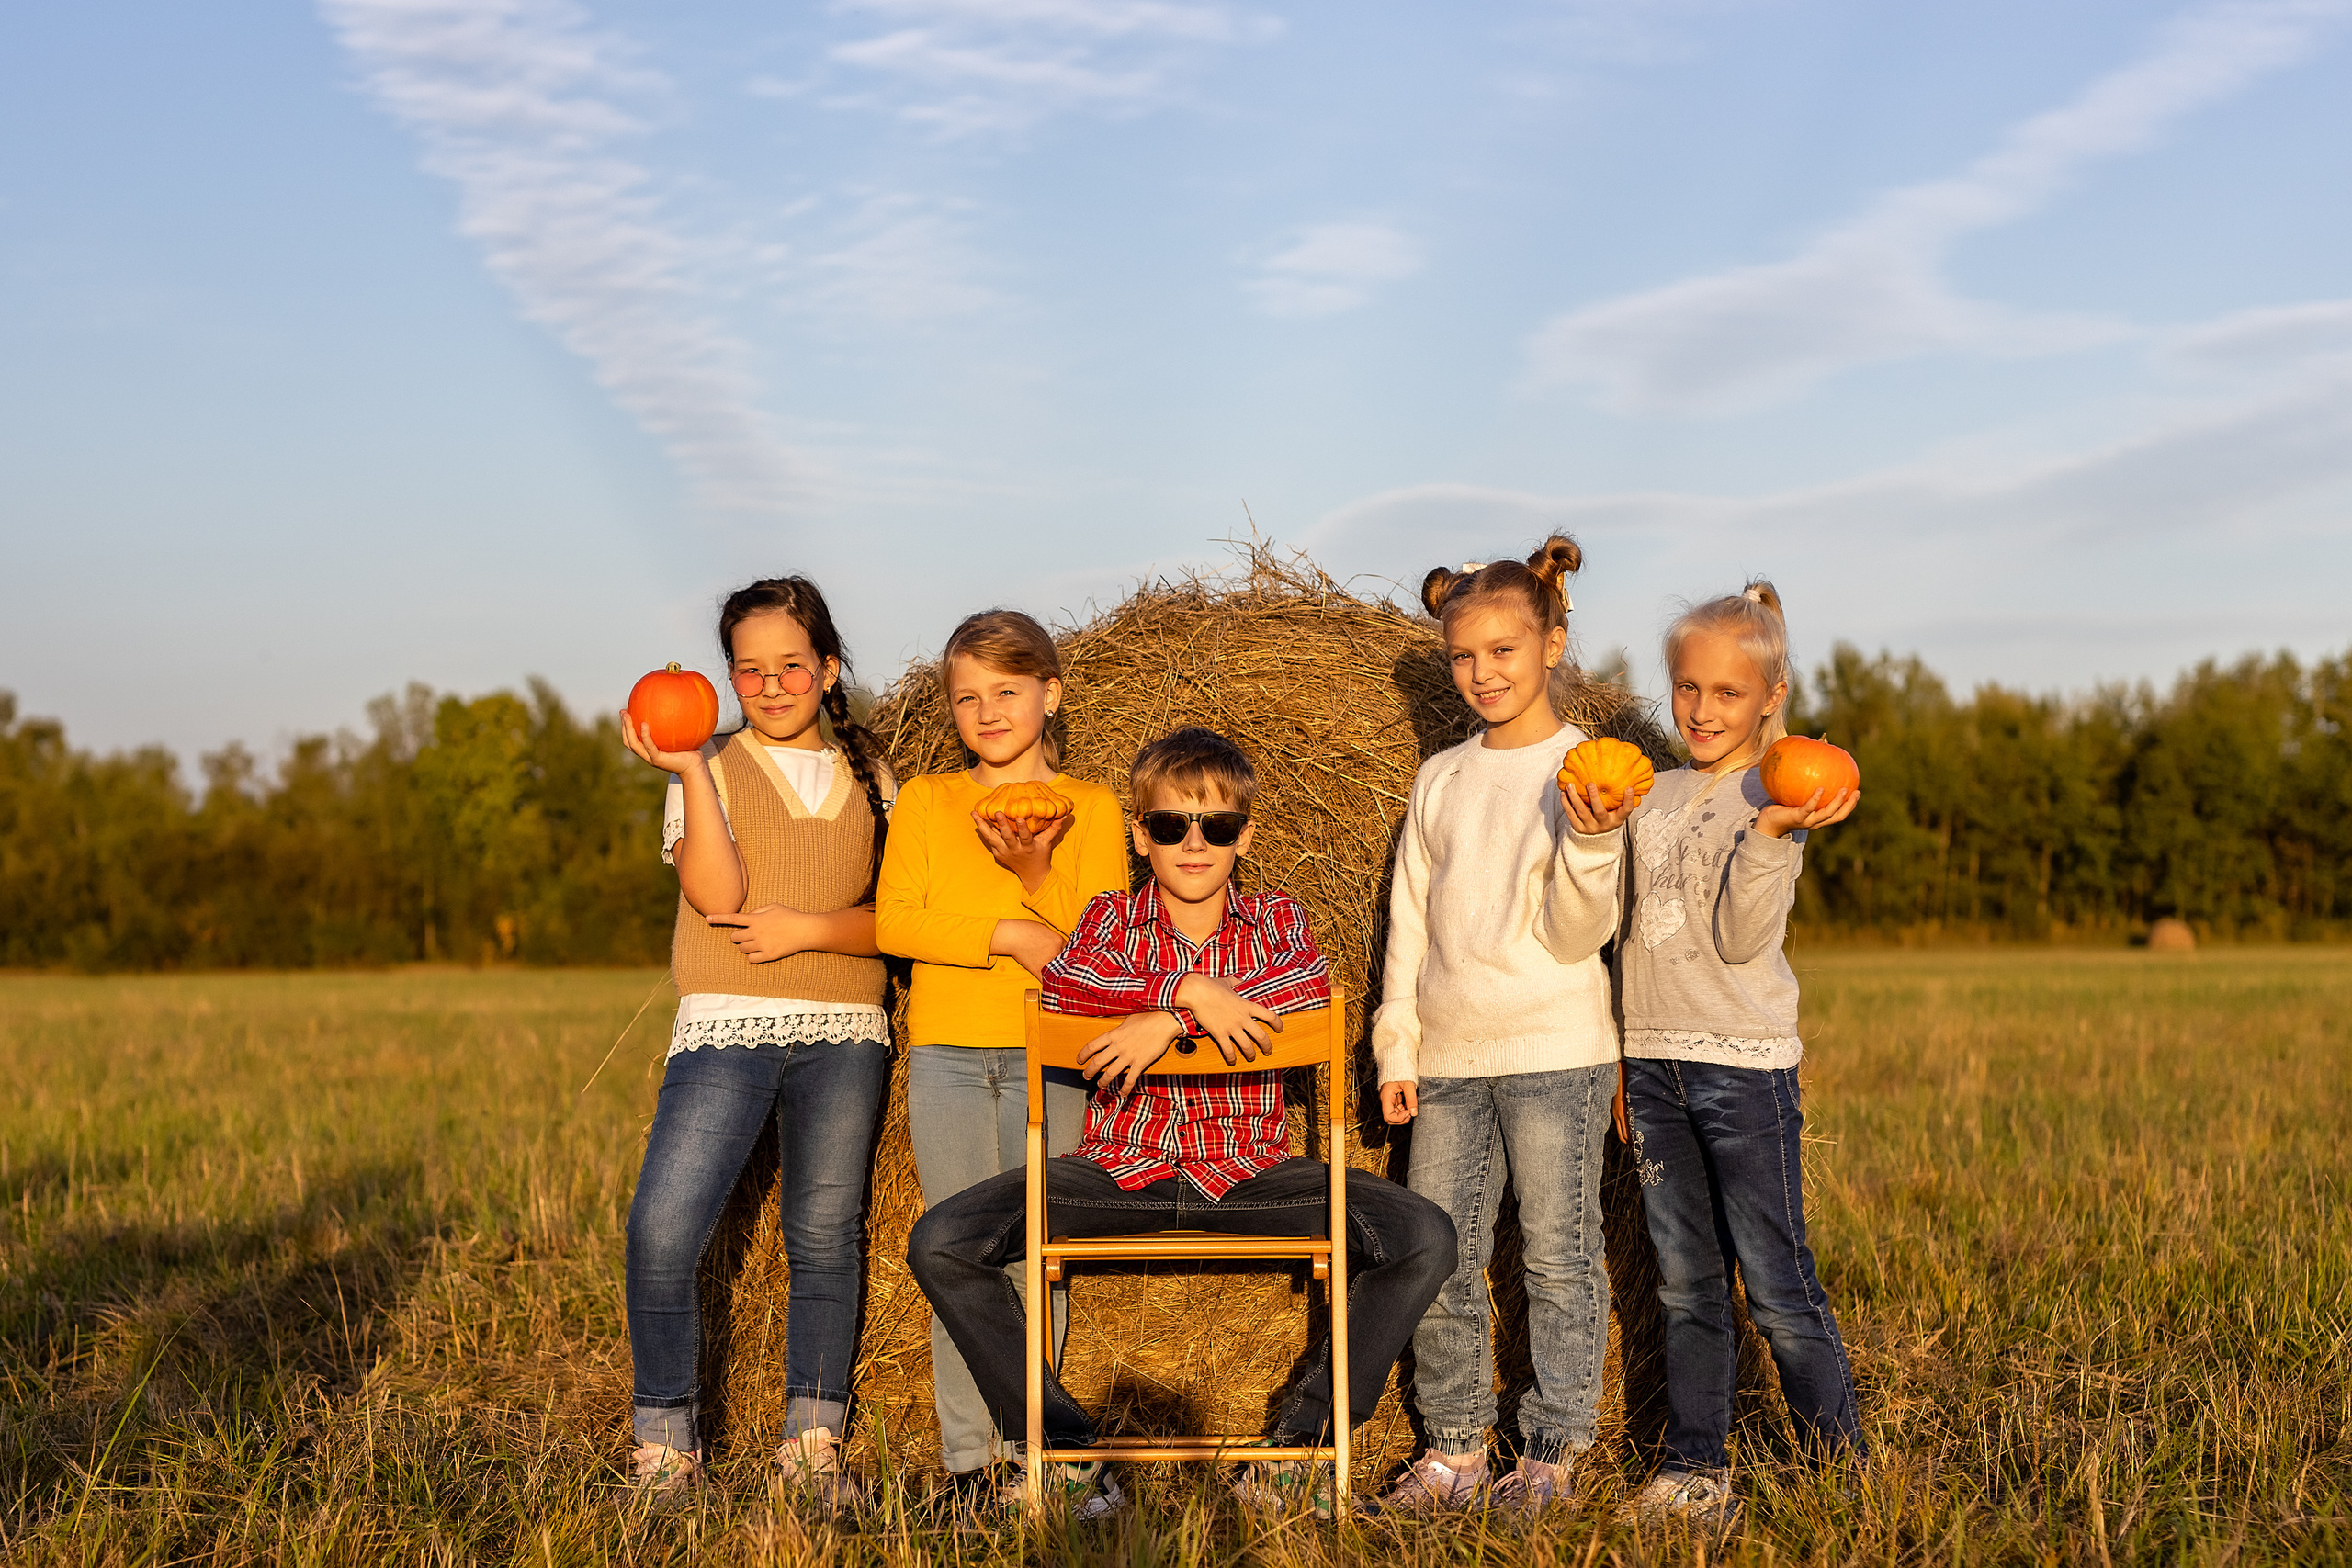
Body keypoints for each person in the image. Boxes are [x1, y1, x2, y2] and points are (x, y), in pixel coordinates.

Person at [905, 728, 1457, 1520]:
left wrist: (1164, 1015)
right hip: (1117, 1171)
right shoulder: (1105, 921)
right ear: (1141, 834)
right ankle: (1064, 1452)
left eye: (1217, 827)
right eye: (1170, 825)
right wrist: (1191, 994)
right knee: (941, 1241)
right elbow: (1067, 994)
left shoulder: (1277, 922)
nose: (1193, 842)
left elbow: (1299, 1001)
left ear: (1245, 835)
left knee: (1426, 1234)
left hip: (1252, 1171)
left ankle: (1299, 1448)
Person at [1565, 580, 1864, 1530]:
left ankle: (1841, 1467)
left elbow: (1739, 940)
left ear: (1769, 698)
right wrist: (1620, 1058)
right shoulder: (1653, 795)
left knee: (1776, 1287)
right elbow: (1622, 940)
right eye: (1686, 689)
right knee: (1686, 1284)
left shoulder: (1774, 796)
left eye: (1726, 695)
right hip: (1652, 1069)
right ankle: (1695, 1471)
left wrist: (1774, 834)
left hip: (1743, 1071)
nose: (1700, 710)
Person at [616, 576, 897, 1508]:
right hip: (727, 1024)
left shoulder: (874, 774)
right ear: (728, 676)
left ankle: (811, 1447)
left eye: (791, 665)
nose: (772, 685)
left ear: (827, 666)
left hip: (847, 1028)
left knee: (824, 1236)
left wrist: (812, 930)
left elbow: (896, 921)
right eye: (750, 669)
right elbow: (718, 899)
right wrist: (692, 767)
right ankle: (666, 1448)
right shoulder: (712, 764)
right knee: (663, 1229)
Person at [1371, 538, 1624, 1514]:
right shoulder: (1440, 779)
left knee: (1558, 1254)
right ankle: (1454, 1450)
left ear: (1553, 643)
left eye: (1504, 652)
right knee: (1439, 1250)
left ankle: (1552, 1453)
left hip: (1556, 1052)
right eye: (1463, 656)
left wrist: (1594, 840)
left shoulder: (1587, 773)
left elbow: (1576, 937)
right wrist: (1398, 1043)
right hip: (1448, 1054)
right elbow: (1409, 924)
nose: (1482, 674)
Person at [873, 611, 1129, 1494]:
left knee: (1036, 1252)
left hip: (1050, 1054)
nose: (988, 712)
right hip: (945, 1051)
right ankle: (968, 1461)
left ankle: (1037, 1451)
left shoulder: (1092, 809)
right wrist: (1011, 930)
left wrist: (1032, 873)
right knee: (956, 1251)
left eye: (1008, 691)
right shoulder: (927, 801)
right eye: (968, 696)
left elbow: (1101, 946)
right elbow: (896, 919)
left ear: (1049, 694)